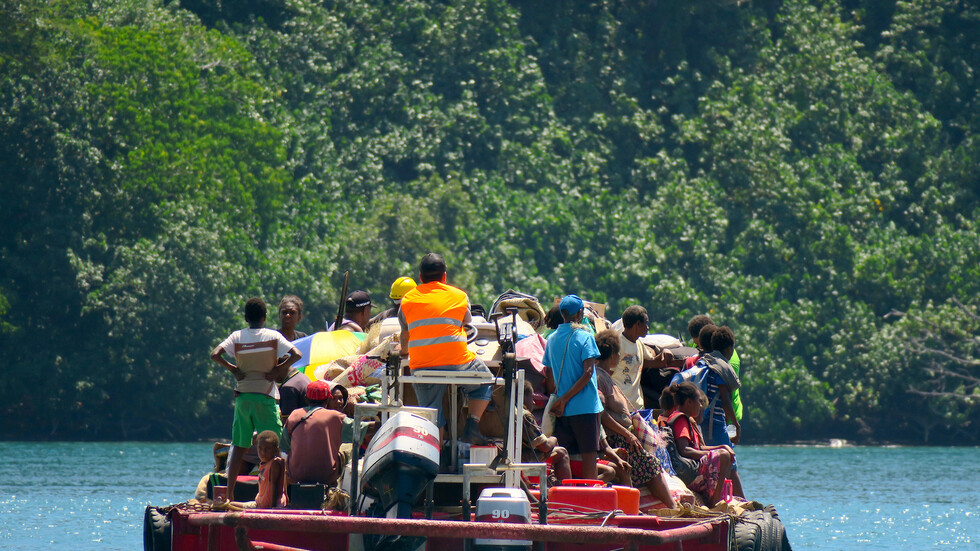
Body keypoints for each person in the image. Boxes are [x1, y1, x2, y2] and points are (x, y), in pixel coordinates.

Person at [211, 297, 301, 502]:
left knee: (239, 447)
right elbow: (296, 353)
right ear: (265, 317)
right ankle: (280, 495)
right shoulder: (272, 335)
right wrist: (278, 369)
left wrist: (233, 369)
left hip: (243, 398)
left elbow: (215, 354)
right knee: (276, 447)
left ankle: (229, 494)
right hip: (265, 396)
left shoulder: (237, 336)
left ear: (245, 317)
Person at [399, 253, 492, 445]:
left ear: (420, 277)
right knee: (487, 380)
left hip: (422, 366)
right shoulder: (459, 296)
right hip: (457, 362)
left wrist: (403, 353)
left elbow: (405, 334)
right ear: (444, 276)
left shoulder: (407, 300)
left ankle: (435, 461)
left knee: (431, 413)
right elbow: (466, 321)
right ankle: (472, 425)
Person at [594, 330, 676, 508]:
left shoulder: (606, 376)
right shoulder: (599, 377)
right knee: (650, 464)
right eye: (618, 353)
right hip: (616, 438)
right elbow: (602, 414)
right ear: (612, 355)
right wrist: (627, 433)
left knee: (653, 460)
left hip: (623, 436)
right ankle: (672, 507)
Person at [542, 294, 603, 480]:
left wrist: (560, 399)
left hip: (562, 411)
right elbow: (588, 373)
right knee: (589, 459)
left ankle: (566, 503)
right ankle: (590, 505)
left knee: (564, 458)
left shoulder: (551, 339)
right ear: (580, 314)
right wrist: (566, 398)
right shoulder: (585, 337)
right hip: (585, 408)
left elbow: (549, 377)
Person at [659, 382, 740, 507]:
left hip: (691, 466)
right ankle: (714, 504)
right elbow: (684, 450)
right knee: (723, 456)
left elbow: (698, 448)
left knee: (724, 451)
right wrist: (716, 454)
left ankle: (714, 498)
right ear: (688, 402)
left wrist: (722, 447)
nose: (701, 405)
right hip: (686, 470)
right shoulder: (681, 420)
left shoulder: (687, 420)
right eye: (698, 401)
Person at [281, 380, 347, 485]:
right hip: (326, 477)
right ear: (327, 400)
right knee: (348, 448)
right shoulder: (336, 417)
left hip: (295, 476)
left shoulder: (294, 415)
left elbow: (285, 446)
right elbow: (361, 429)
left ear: (306, 399)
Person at [683, 315, 743, 423]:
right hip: (704, 414)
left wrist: (731, 422)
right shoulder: (702, 348)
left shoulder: (727, 358)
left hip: (727, 415)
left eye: (700, 346)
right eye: (697, 346)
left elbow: (727, 396)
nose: (700, 349)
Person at [612, 305, 672, 410]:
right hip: (620, 407)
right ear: (638, 324)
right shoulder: (617, 345)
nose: (647, 327)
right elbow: (606, 375)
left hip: (637, 407)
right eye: (646, 323)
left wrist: (665, 352)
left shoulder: (639, 343)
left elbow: (651, 362)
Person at [217, 430, 287, 509]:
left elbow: (275, 487)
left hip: (267, 506)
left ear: (276, 450)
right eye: (260, 449)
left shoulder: (274, 464)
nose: (263, 452)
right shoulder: (263, 463)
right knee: (230, 504)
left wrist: (272, 509)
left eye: (267, 449)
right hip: (259, 503)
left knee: (229, 506)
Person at [277, 295, 309, 421]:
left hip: (299, 390)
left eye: (292, 313)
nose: (288, 316)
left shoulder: (304, 339)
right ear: (279, 315)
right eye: (284, 312)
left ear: (299, 317)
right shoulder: (273, 338)